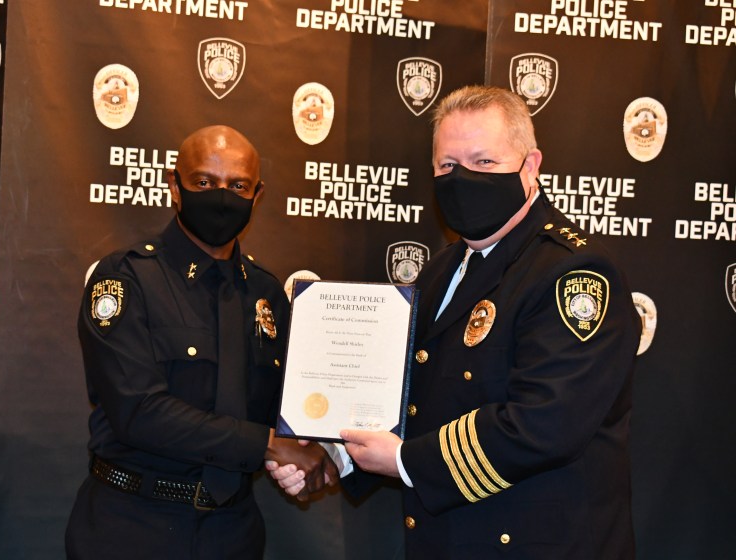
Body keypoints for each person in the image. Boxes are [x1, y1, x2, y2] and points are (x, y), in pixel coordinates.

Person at [268, 86, 640, 559]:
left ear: (530, 167)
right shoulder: (442, 270)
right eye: (447, 165)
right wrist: (335, 456)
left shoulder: (573, 273)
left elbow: (545, 424)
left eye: (484, 162)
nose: (462, 178)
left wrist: (404, 460)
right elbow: (410, 398)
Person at [66, 125, 337, 559]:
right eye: (205, 183)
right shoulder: (125, 279)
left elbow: (286, 411)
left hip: (233, 533)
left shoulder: (266, 293)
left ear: (257, 195)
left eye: (238, 185)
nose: (222, 197)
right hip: (133, 527)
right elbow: (138, 411)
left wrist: (316, 457)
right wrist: (267, 445)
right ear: (175, 187)